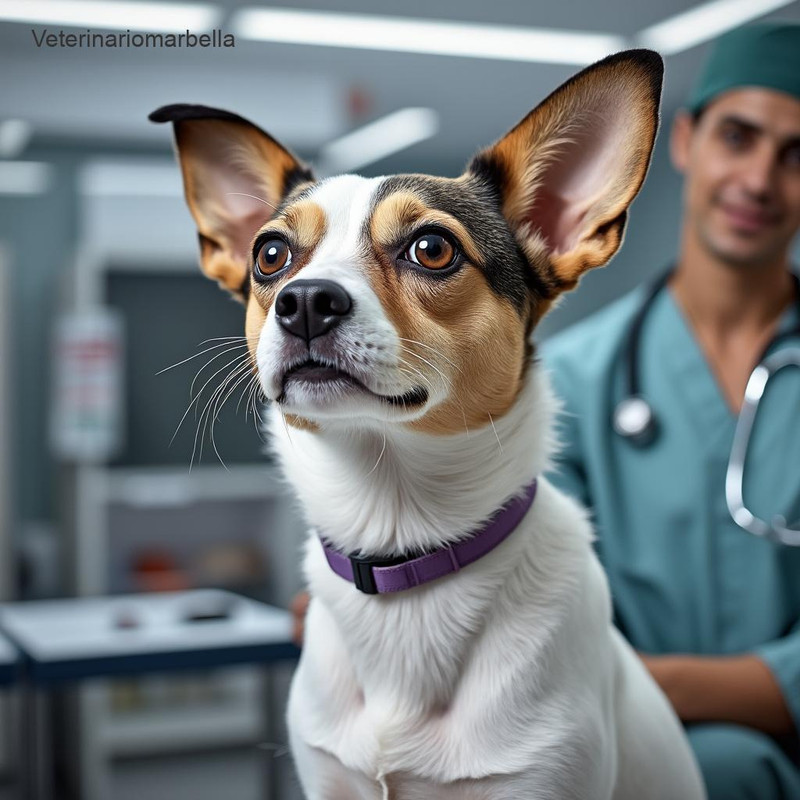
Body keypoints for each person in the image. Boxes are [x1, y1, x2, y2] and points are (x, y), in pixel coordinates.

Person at [543, 22, 800, 800]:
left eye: (797, 156)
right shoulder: (570, 380)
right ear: (684, 141)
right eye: (738, 137)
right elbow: (527, 598)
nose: (759, 179)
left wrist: (648, 684)